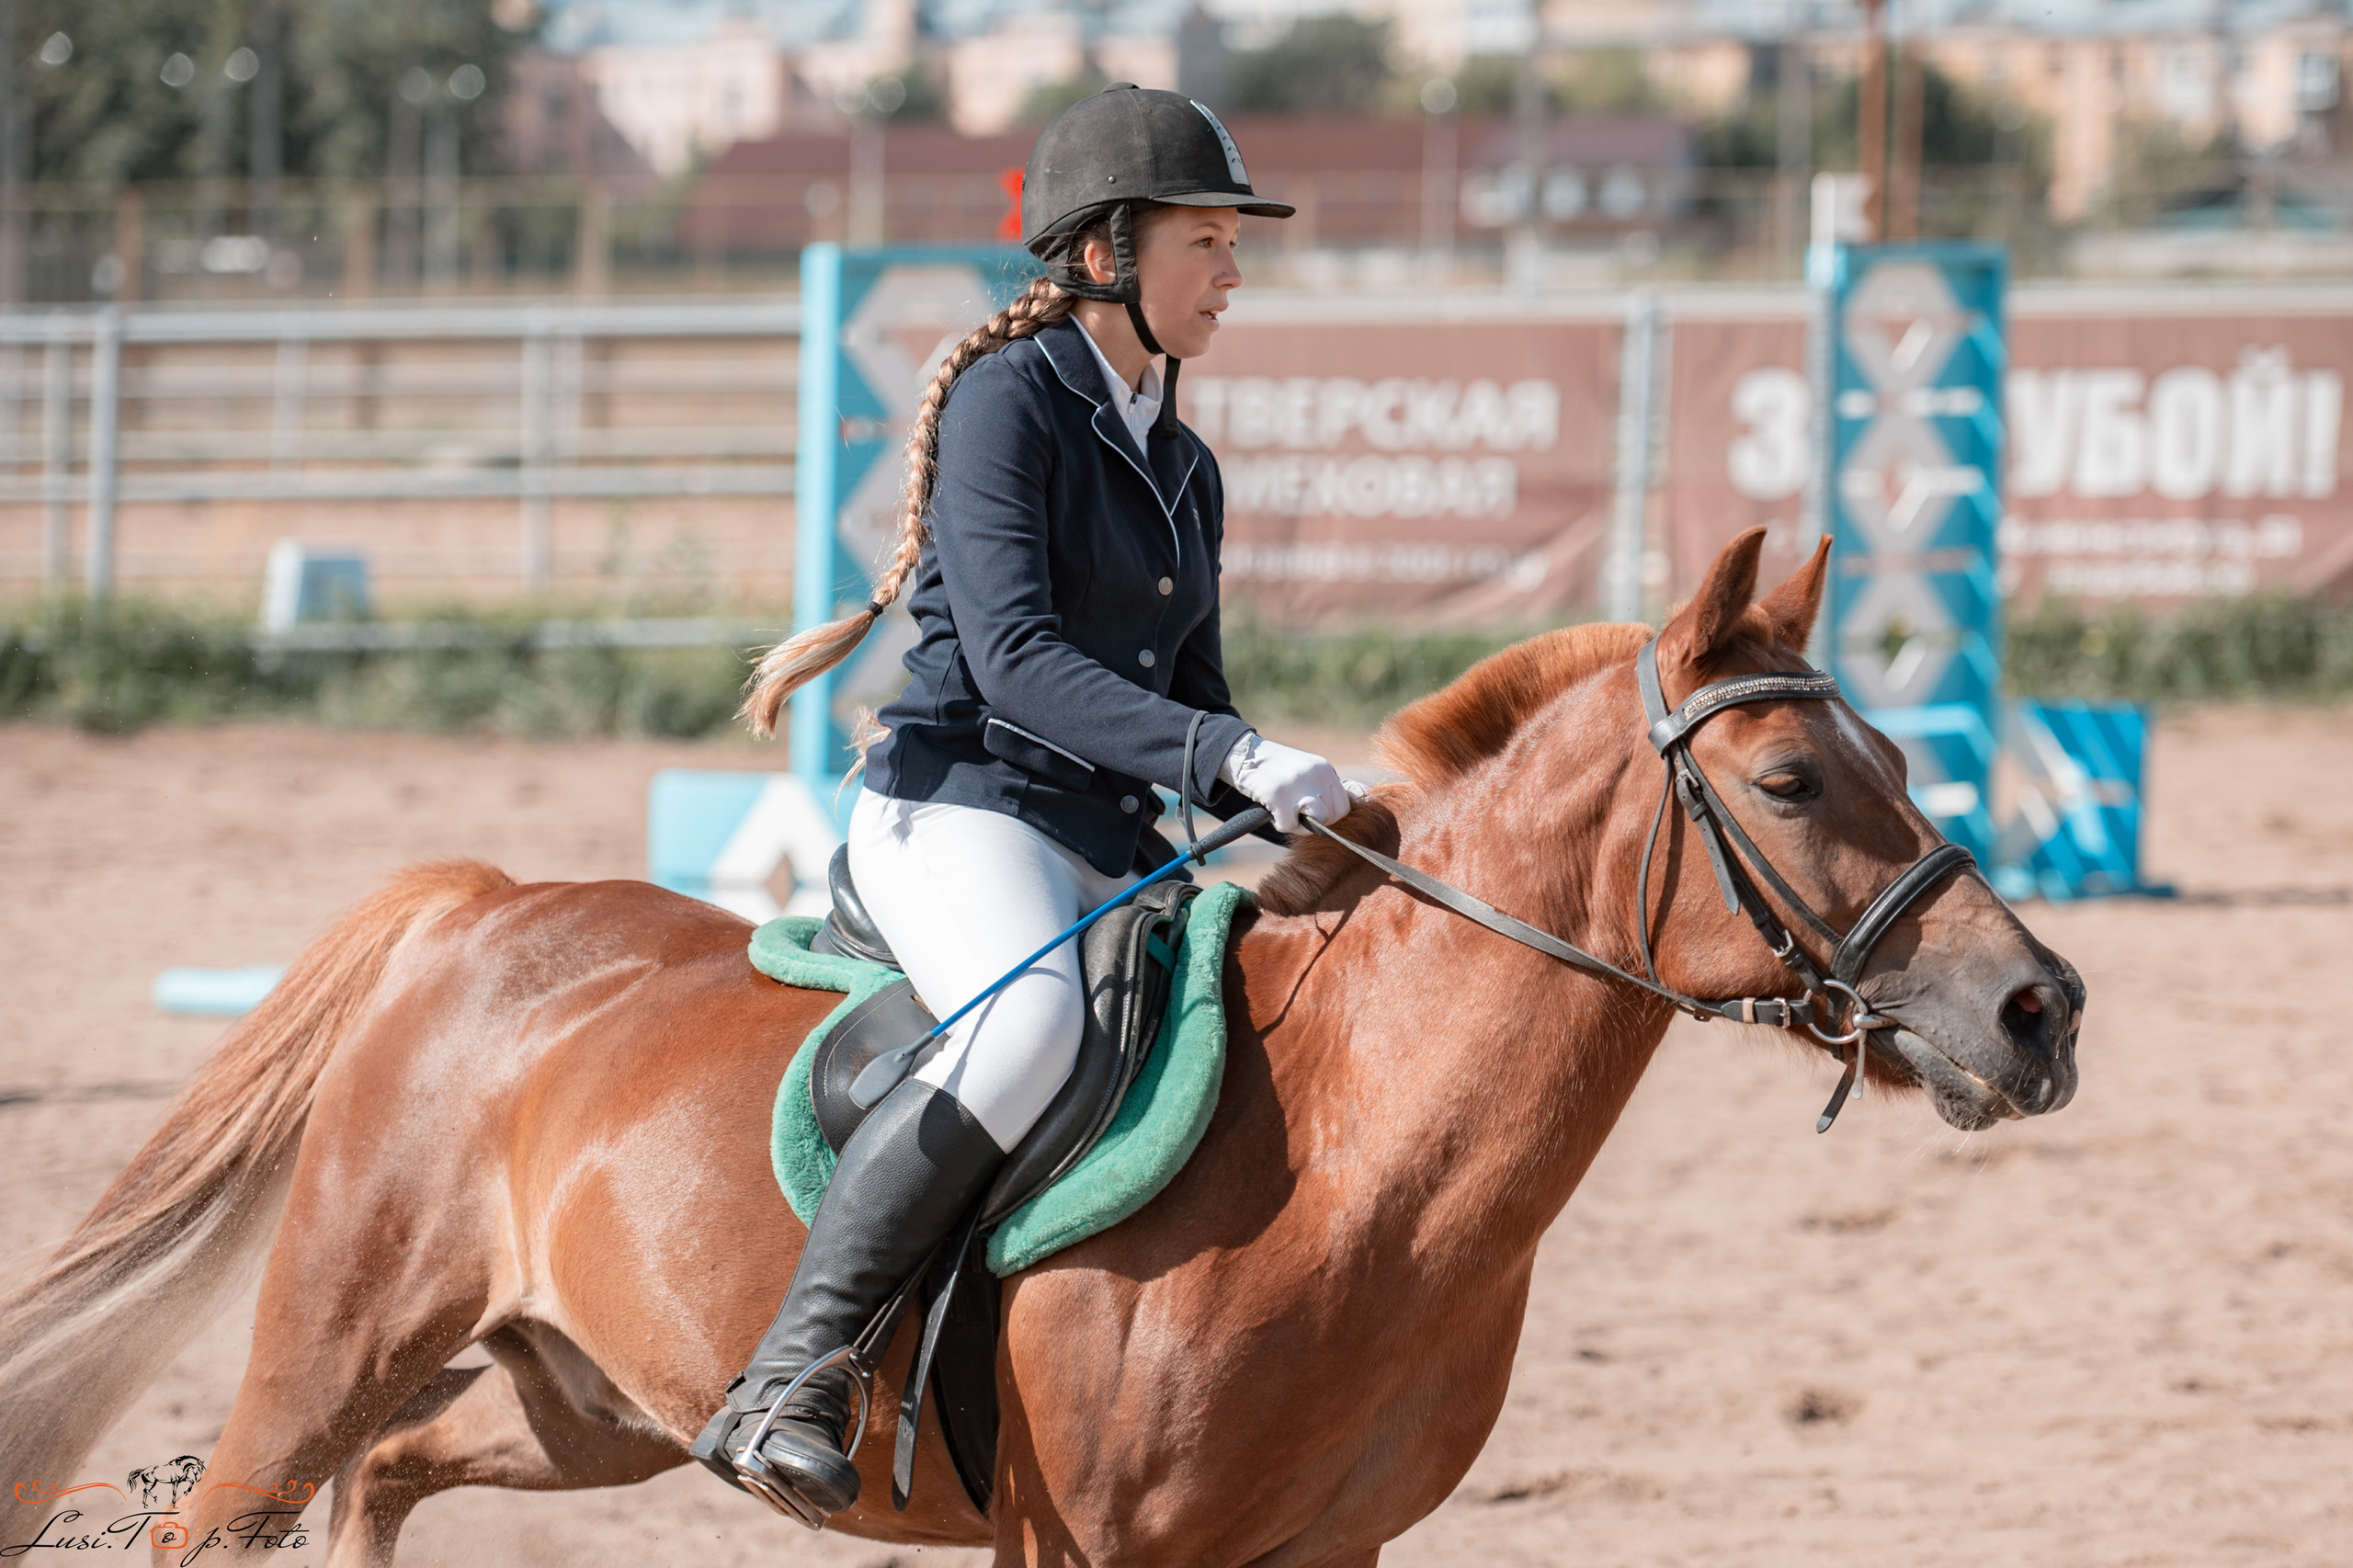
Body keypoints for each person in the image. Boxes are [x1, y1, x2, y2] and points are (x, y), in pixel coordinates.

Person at [688, 83, 1355, 1525]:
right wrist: (1229, 757)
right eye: (1207, 242)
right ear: (1107, 250)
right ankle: (791, 1375)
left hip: (1104, 842)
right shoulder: (1012, 401)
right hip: (961, 807)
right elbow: (1018, 663)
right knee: (1031, 1022)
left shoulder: (1182, 463)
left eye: (1235, 246)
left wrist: (1271, 822)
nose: (1233, 273)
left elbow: (1194, 687)